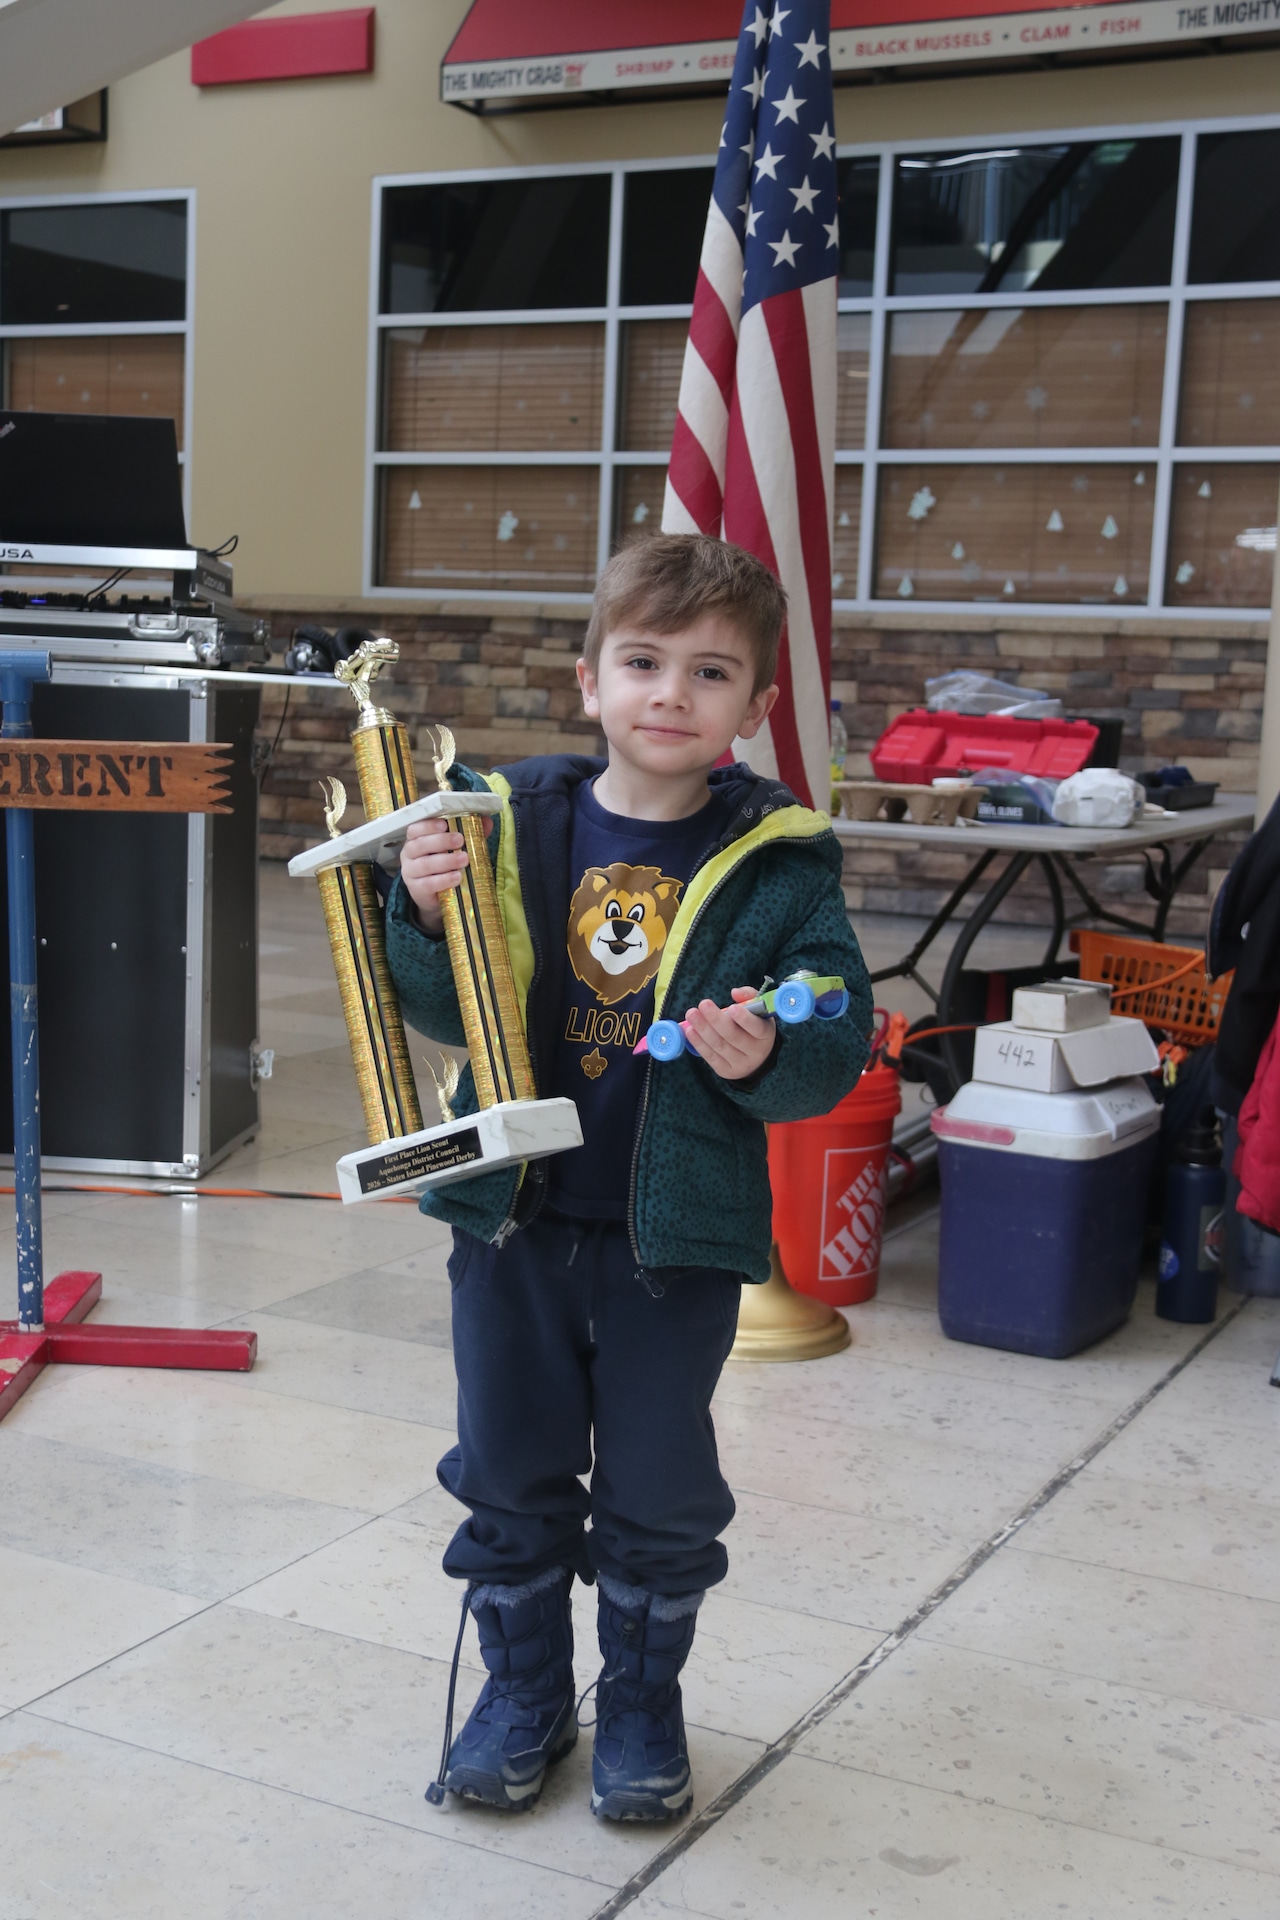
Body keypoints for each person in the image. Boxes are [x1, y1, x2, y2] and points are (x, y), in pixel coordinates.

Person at [387, 533, 871, 1823]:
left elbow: (833, 1044)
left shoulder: (781, 858)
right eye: (644, 662)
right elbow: (442, 1006)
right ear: (588, 678)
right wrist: (428, 914)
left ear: (755, 708)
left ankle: (641, 1704)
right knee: (509, 1464)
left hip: (680, 1237)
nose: (671, 694)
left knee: (661, 1483)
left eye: (709, 674)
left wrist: (770, 1052)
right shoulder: (509, 823)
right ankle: (526, 1692)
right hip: (513, 1224)